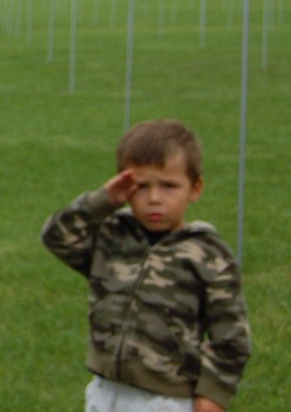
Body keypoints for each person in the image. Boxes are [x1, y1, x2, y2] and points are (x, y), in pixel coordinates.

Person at [41, 119, 251, 412]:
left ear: (195, 188)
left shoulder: (208, 255)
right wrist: (102, 202)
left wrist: (212, 396)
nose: (154, 199)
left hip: (164, 400)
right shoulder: (112, 238)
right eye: (141, 187)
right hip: (105, 393)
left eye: (169, 186)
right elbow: (56, 236)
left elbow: (231, 338)